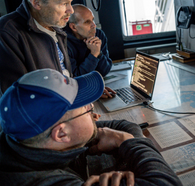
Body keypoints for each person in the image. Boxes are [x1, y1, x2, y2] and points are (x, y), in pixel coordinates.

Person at [0, 68, 182, 186]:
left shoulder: (26, 142)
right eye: (86, 108)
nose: (92, 108)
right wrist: (127, 142)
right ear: (62, 133)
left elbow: (125, 125)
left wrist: (120, 137)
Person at [0, 0, 74, 94]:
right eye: (63, 3)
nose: (71, 10)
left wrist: (84, 90)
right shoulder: (7, 32)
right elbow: (18, 98)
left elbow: (65, 76)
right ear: (36, 2)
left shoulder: (56, 27)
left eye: (70, 2)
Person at [64, 4, 113, 77]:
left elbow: (104, 71)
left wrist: (98, 53)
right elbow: (77, 77)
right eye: (87, 22)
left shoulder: (98, 35)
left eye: (92, 20)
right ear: (73, 27)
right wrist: (93, 54)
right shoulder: (63, 43)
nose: (94, 25)